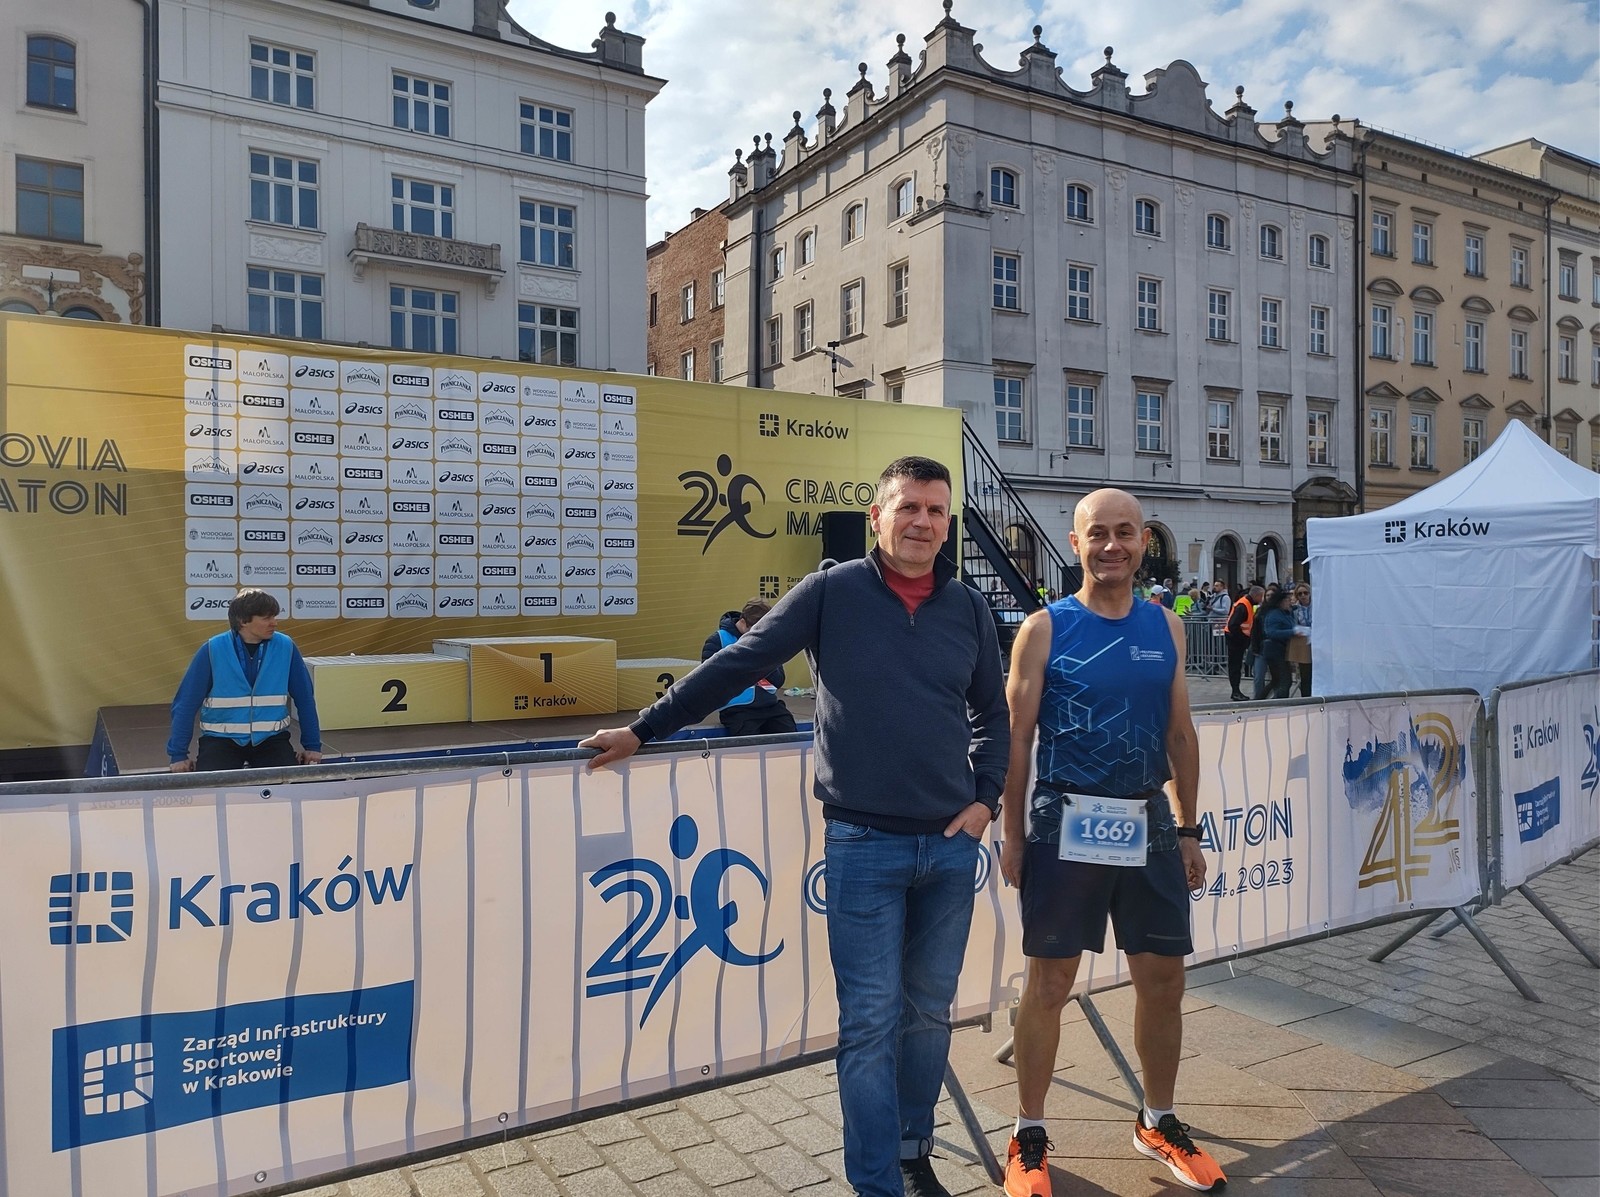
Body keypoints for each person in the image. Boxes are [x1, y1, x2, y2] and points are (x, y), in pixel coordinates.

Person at [582, 456, 1009, 1197]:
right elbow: (737, 663)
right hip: (863, 845)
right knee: (869, 1022)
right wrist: (644, 730)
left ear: (948, 524)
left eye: (936, 510)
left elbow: (992, 713)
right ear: (877, 517)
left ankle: (913, 1154)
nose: (922, 522)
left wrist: (987, 798)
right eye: (908, 507)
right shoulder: (831, 592)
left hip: (949, 847)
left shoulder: (967, 606)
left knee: (928, 1016)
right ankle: (876, 1183)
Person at [997, 488, 1225, 1196]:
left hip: (1148, 821)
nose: (1112, 545)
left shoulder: (1167, 626)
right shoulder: (1044, 628)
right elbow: (1017, 740)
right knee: (1049, 983)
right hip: (1064, 820)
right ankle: (1028, 1132)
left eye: (1125, 532)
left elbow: (1180, 732)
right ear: (1076, 543)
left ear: (1143, 541)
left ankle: (1157, 1119)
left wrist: (1188, 828)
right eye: (1098, 533)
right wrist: (1012, 834)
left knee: (1164, 980)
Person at [167, 588, 322, 771]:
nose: (274, 622)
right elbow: (185, 704)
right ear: (243, 621)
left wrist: (313, 746)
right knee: (213, 784)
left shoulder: (286, 647)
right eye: (266, 618)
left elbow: (305, 699)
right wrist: (178, 754)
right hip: (220, 741)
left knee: (287, 783)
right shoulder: (212, 649)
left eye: (274, 616)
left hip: (271, 740)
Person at [702, 598, 798, 737]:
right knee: (750, 742)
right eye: (755, 631)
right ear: (742, 622)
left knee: (790, 736)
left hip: (769, 705)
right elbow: (707, 680)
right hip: (737, 708)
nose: (758, 636)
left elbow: (778, 681)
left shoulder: (767, 640)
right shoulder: (718, 640)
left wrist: (764, 657)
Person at [1257, 587, 1297, 699]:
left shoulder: (1285, 613)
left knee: (1276, 680)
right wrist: (1293, 632)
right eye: (1287, 600)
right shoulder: (1274, 614)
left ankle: (1259, 700)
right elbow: (1272, 632)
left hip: (1281, 649)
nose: (1289, 602)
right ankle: (1280, 702)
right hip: (1274, 649)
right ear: (1281, 602)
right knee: (1285, 680)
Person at [1224, 585, 1261, 702]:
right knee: (1235, 666)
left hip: (1236, 639)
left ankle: (1236, 691)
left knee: (1236, 666)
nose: (1262, 599)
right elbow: (1233, 625)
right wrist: (1243, 639)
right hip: (1235, 639)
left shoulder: (1246, 604)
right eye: (1261, 596)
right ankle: (1235, 691)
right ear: (1256, 596)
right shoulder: (1243, 605)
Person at [1249, 584, 1281, 700]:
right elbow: (1254, 631)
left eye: (1271, 595)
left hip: (1276, 648)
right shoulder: (1260, 611)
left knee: (1276, 677)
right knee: (1258, 677)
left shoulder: (1280, 611)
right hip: (1261, 648)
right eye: (1267, 595)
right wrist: (1255, 647)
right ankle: (1258, 699)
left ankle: (1275, 698)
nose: (1269, 597)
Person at [1290, 582, 1313, 696]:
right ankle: (1306, 697)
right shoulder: (1294, 610)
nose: (1303, 596)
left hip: (1317, 643)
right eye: (1300, 594)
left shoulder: (1318, 607)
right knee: (1305, 674)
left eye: (1305, 593)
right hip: (1303, 643)